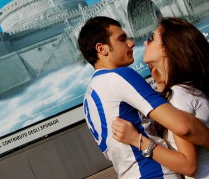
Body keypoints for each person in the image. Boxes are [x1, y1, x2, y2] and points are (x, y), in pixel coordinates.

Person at [77, 16, 209, 179]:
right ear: (102, 49)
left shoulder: (90, 95)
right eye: (122, 39)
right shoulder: (119, 76)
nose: (131, 43)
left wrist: (161, 86)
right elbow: (183, 127)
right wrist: (139, 140)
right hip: (155, 173)